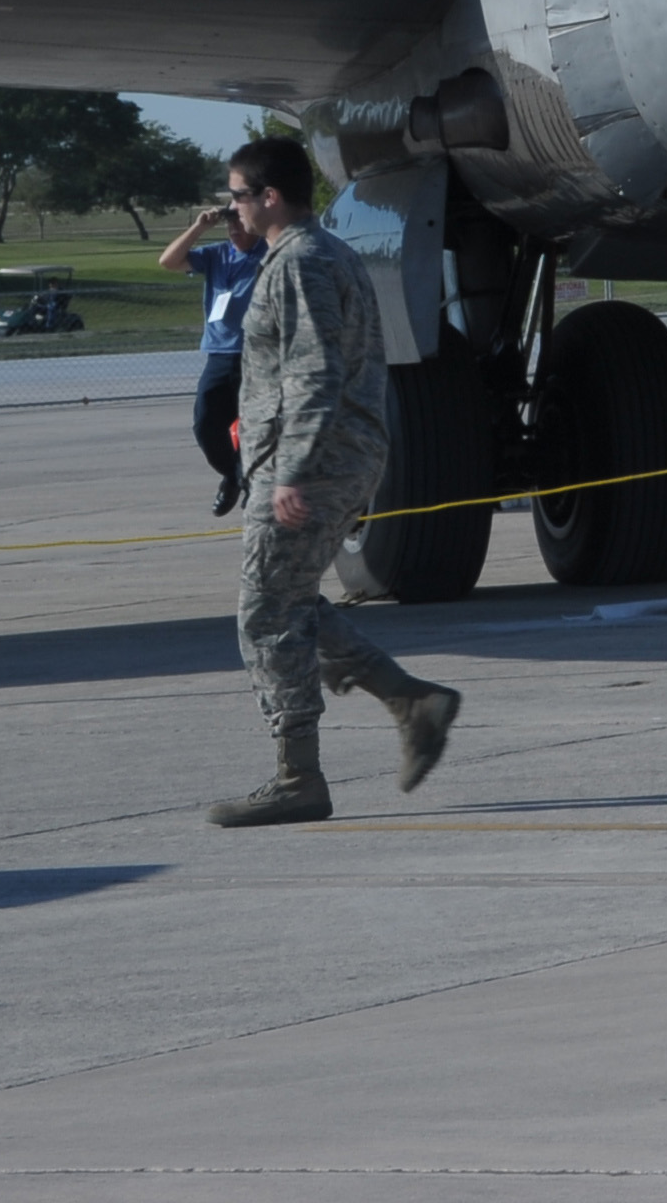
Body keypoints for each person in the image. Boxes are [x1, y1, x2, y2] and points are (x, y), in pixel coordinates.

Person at [207, 136, 460, 827]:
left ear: (269, 197)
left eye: (237, 196)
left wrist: (292, 471)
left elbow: (314, 372)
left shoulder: (301, 264)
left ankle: (299, 778)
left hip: (314, 462)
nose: (231, 208)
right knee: (289, 599)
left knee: (265, 614)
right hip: (331, 454)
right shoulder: (322, 253)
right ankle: (411, 701)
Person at [154, 193, 268, 516]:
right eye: (228, 223)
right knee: (205, 424)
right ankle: (233, 475)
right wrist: (199, 227)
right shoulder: (216, 254)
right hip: (219, 354)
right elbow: (168, 261)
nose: (233, 229)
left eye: (239, 222)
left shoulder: (269, 253)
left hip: (256, 354)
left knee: (257, 426)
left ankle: (252, 482)